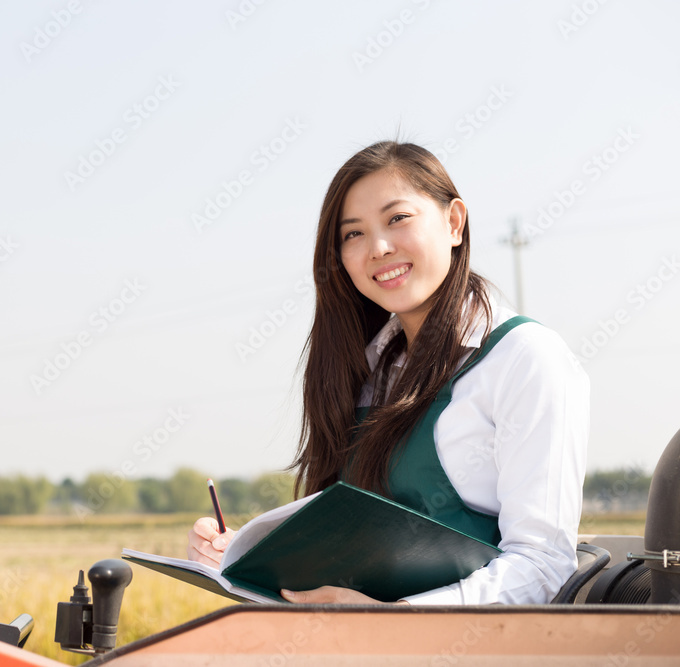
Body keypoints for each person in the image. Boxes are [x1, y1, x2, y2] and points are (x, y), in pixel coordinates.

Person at [187, 141, 589, 605]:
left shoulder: (525, 359)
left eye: (397, 219)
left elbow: (543, 567)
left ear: (454, 222)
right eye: (353, 234)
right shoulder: (368, 367)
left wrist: (395, 618)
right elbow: (346, 544)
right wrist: (238, 554)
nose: (378, 247)